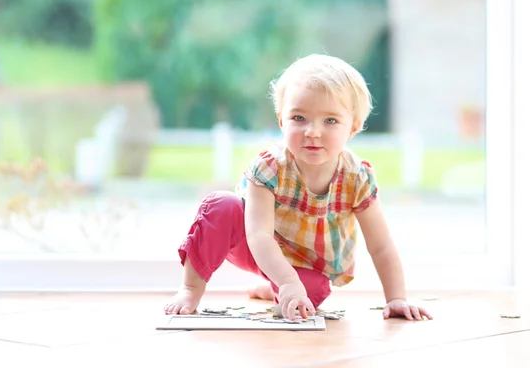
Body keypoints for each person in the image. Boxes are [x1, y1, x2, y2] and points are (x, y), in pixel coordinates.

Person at [164, 54, 432, 321]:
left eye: (330, 121)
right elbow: (259, 236)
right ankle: (190, 288)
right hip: (257, 244)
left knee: (310, 294)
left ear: (353, 128)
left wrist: (396, 298)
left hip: (308, 265)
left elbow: (381, 246)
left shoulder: (356, 178)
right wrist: (288, 281)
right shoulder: (270, 167)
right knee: (221, 205)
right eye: (299, 118)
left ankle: (276, 286)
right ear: (282, 120)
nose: (312, 132)